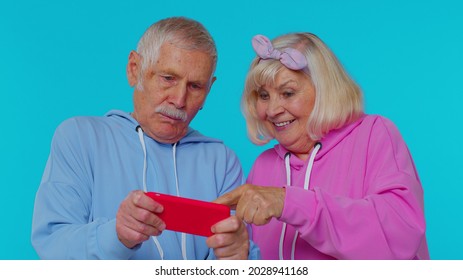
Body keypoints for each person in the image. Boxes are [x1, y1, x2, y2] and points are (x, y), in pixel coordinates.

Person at [31, 17, 259, 260]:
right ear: (134, 69)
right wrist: (116, 234)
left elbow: (239, 260)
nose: (179, 100)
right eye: (168, 78)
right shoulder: (79, 137)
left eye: (195, 86)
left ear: (209, 90)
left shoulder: (221, 161)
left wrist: (239, 258)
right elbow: (53, 247)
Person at [215, 33, 429, 259]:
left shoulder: (374, 134)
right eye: (264, 95)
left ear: (325, 90)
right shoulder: (264, 165)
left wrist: (289, 202)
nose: (272, 110)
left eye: (288, 93)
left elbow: (400, 236)